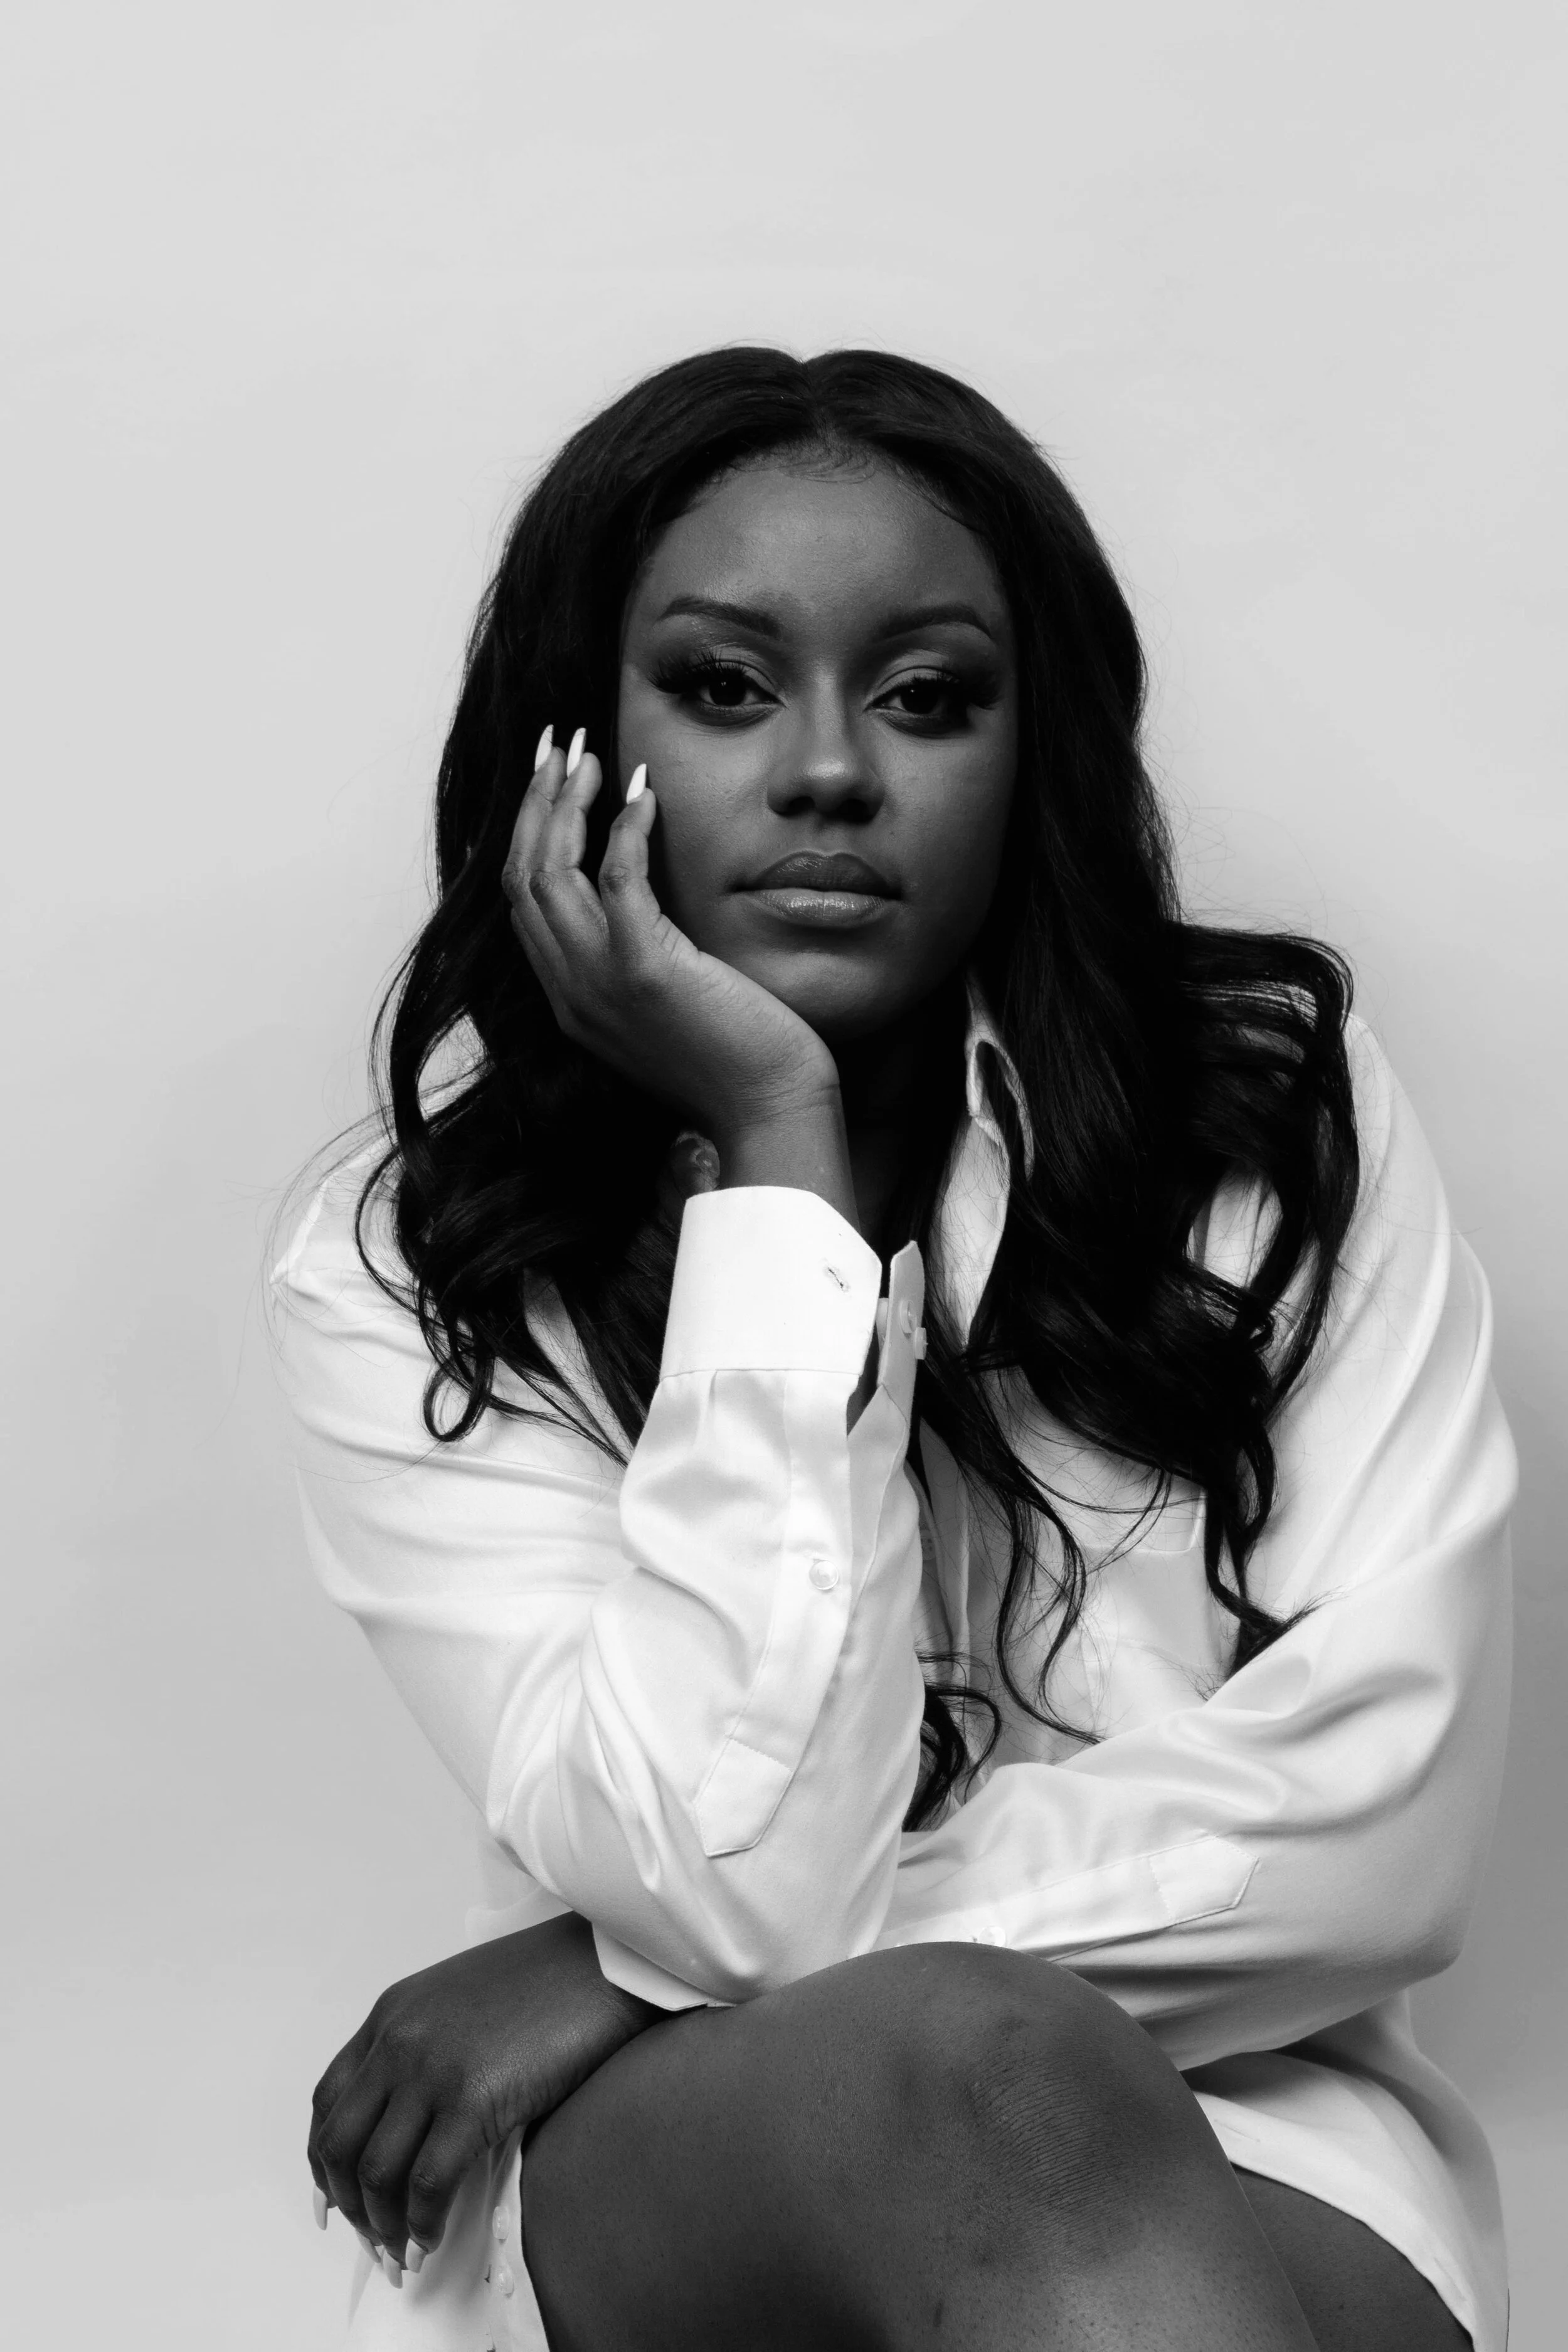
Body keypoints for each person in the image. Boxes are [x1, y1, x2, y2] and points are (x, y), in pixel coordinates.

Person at [273, 347, 1514, 2352]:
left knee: (1022, 2085)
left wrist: (609, 1966)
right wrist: (779, 1158)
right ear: (578, 742)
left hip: (1260, 2128)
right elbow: (745, 1893)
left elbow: (1383, 1832)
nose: (831, 769)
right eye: (725, 685)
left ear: (1035, 752)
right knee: (981, 2068)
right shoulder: (409, 1260)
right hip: (701, 2156)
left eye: (928, 696)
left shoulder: (1268, 1124)